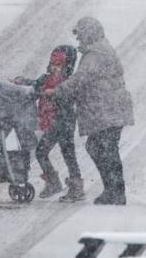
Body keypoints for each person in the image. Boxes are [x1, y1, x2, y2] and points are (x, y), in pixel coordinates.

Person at [46, 16, 134, 205]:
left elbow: (81, 78)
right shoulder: (100, 49)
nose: (78, 39)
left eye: (80, 34)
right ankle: (114, 191)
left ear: (89, 33)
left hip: (108, 108)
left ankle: (115, 192)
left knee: (102, 148)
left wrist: (58, 91)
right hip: (110, 108)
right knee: (104, 148)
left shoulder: (95, 54)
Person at [22, 45, 83, 200]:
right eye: (53, 65)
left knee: (45, 152)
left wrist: (52, 96)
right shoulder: (45, 79)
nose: (55, 69)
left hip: (63, 122)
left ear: (67, 67)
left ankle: (60, 183)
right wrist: (22, 82)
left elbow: (64, 97)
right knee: (66, 153)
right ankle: (67, 183)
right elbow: (35, 84)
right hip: (57, 122)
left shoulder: (67, 83)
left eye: (59, 66)